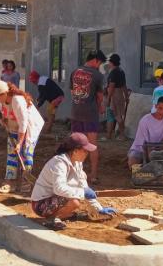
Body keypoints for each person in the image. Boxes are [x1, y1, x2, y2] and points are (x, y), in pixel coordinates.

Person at [30, 133, 117, 230]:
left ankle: (65, 215)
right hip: (40, 204)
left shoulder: (77, 163)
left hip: (54, 199)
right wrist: (83, 192)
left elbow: (83, 185)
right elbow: (59, 189)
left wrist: (98, 208)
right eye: (85, 151)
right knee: (74, 202)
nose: (87, 153)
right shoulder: (59, 163)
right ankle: (52, 219)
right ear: (75, 151)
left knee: (75, 197)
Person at [0, 80, 45, 194]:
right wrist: (4, 119)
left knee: (26, 154)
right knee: (12, 154)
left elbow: (23, 123)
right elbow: (5, 113)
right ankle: (9, 182)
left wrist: (19, 142)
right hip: (13, 126)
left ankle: (26, 183)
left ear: (3, 94)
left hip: (28, 128)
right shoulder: (1, 101)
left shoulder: (17, 100)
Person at [69, 50, 106, 184]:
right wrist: (101, 106)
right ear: (96, 60)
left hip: (76, 112)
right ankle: (93, 175)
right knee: (92, 144)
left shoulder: (74, 72)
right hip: (90, 114)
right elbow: (100, 96)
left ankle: (74, 175)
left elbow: (72, 92)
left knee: (76, 144)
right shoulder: (97, 75)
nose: (99, 65)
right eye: (100, 63)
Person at [127, 97, 163, 167]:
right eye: (160, 108)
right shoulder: (145, 120)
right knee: (133, 164)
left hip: (162, 147)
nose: (162, 112)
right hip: (142, 148)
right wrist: (150, 158)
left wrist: (159, 150)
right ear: (156, 106)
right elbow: (144, 144)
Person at [105, 54, 129, 141]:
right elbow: (124, 85)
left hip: (114, 94)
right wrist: (126, 96)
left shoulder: (114, 72)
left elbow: (111, 86)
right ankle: (108, 135)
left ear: (112, 62)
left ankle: (122, 135)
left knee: (117, 116)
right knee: (111, 115)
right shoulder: (121, 71)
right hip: (119, 94)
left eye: (110, 62)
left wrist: (108, 98)